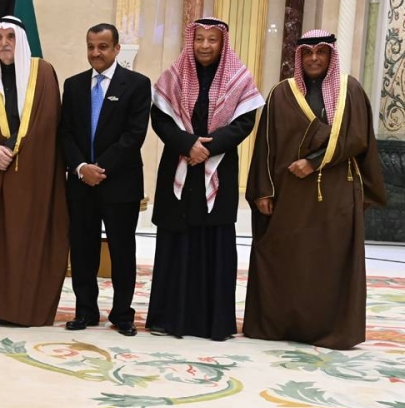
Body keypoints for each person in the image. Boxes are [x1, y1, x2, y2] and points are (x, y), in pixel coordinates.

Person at [244, 30, 386, 350]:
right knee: (287, 258)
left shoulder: (350, 90)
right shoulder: (282, 93)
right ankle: (281, 325)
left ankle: (329, 329)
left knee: (330, 261)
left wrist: (314, 161)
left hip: (336, 194)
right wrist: (263, 190)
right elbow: (266, 144)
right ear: (299, 57)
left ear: (331, 55)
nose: (314, 58)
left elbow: (357, 138)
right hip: (289, 193)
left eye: (321, 52)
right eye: (307, 53)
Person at [146, 18, 264, 340]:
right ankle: (169, 318)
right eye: (199, 39)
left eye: (212, 39)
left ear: (222, 43)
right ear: (191, 40)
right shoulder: (174, 75)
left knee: (214, 245)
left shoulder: (239, 78)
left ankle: (212, 323)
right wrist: (188, 145)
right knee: (177, 243)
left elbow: (244, 123)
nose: (205, 45)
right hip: (179, 166)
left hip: (219, 169)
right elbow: (160, 119)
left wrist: (208, 148)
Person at [0, 16, 69, 327]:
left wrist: (18, 152)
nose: (4, 43)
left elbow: (49, 121)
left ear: (21, 39)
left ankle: (20, 309)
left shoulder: (43, 73)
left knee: (23, 241)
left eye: (10, 37)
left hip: (30, 175)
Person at [58, 23, 151, 337]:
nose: (95, 53)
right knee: (83, 249)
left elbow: (134, 135)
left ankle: (122, 314)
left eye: (102, 46)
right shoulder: (73, 85)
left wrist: (100, 168)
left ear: (116, 49)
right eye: (91, 46)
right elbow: (65, 133)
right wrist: (81, 167)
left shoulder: (137, 84)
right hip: (81, 183)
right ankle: (85, 311)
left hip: (120, 183)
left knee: (122, 250)